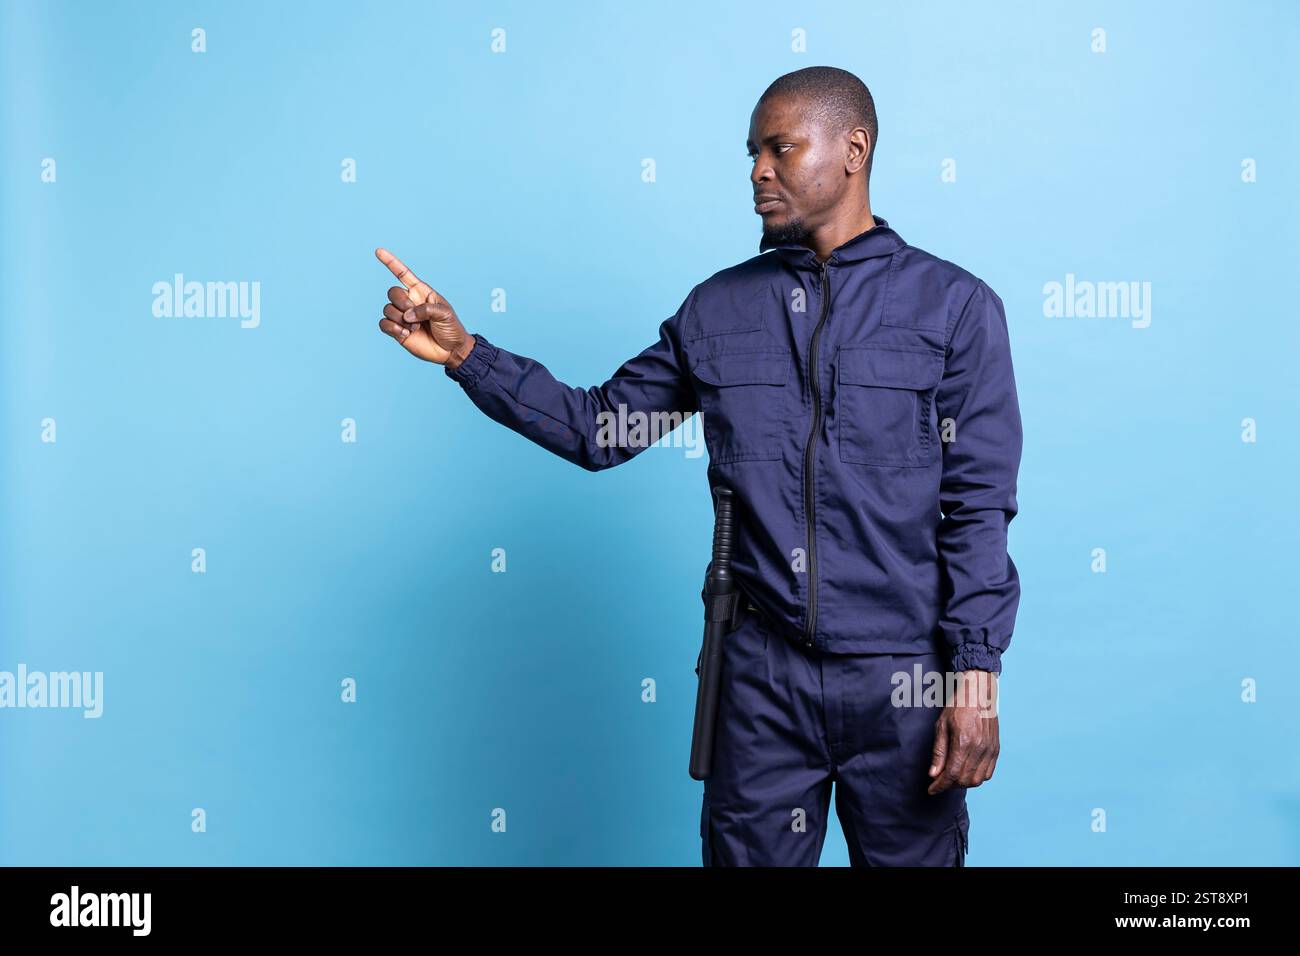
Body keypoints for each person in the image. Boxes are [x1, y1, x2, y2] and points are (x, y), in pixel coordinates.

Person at [374, 66, 1022, 867]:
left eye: (781, 149)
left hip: (904, 684)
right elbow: (599, 428)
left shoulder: (954, 307)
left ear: (854, 149)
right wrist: (468, 356)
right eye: (752, 153)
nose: (757, 171)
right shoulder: (718, 309)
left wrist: (973, 676)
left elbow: (979, 505)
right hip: (761, 685)